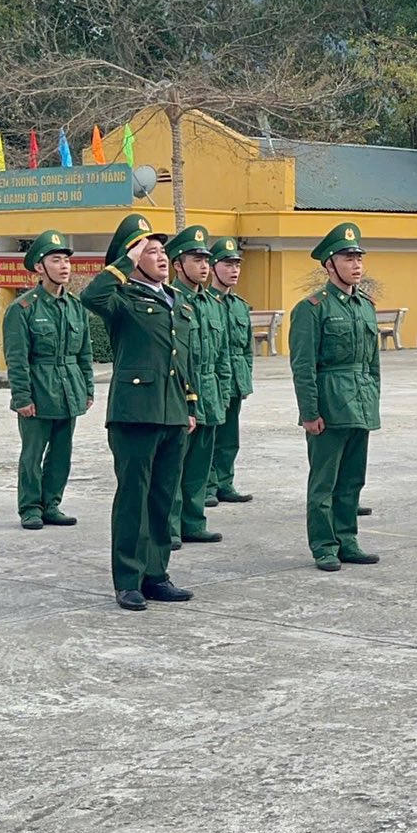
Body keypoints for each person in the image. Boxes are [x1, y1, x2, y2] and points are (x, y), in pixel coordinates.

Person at [80, 213, 199, 612]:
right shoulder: (122, 297)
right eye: (150, 250)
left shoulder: (178, 300)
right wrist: (122, 264)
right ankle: (127, 580)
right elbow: (90, 297)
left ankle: (156, 574)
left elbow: (185, 357)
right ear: (132, 257)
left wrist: (191, 403)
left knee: (164, 498)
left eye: (163, 249)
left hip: (173, 413)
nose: (161, 256)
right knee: (134, 497)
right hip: (134, 412)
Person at [289, 222, 384, 572]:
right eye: (348, 258)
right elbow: (303, 366)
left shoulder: (365, 306)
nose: (356, 264)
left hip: (360, 402)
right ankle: (324, 545)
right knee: (324, 482)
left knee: (353, 479)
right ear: (329, 265)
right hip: (330, 403)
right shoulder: (312, 307)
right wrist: (309, 412)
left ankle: (348, 539)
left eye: (359, 257)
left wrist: (372, 398)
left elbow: (372, 363)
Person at [2, 230, 93, 529]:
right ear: (40, 267)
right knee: (32, 454)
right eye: (56, 260)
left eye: (66, 260)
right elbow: (17, 358)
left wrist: (88, 389)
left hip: (70, 389)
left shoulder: (76, 306)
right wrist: (22, 397)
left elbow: (84, 354)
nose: (64, 266)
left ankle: (52, 503)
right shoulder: (23, 308)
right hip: (39, 390)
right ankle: (30, 507)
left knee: (62, 453)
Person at [164, 224, 227, 548]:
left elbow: (223, 353)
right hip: (180, 393)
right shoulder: (170, 300)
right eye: (195, 259)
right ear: (177, 264)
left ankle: (193, 521)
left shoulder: (215, 303)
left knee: (201, 465)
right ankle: (171, 527)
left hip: (211, 393)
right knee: (175, 466)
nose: (204, 265)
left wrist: (225, 390)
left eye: (206, 259)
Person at [206, 237, 255, 506]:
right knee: (209, 434)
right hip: (212, 377)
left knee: (229, 436)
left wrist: (245, 377)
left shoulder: (239, 305)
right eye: (227, 264)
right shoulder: (205, 302)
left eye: (237, 264)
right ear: (213, 267)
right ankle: (207, 486)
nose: (234, 270)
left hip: (234, 377)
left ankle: (225, 482)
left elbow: (247, 348)